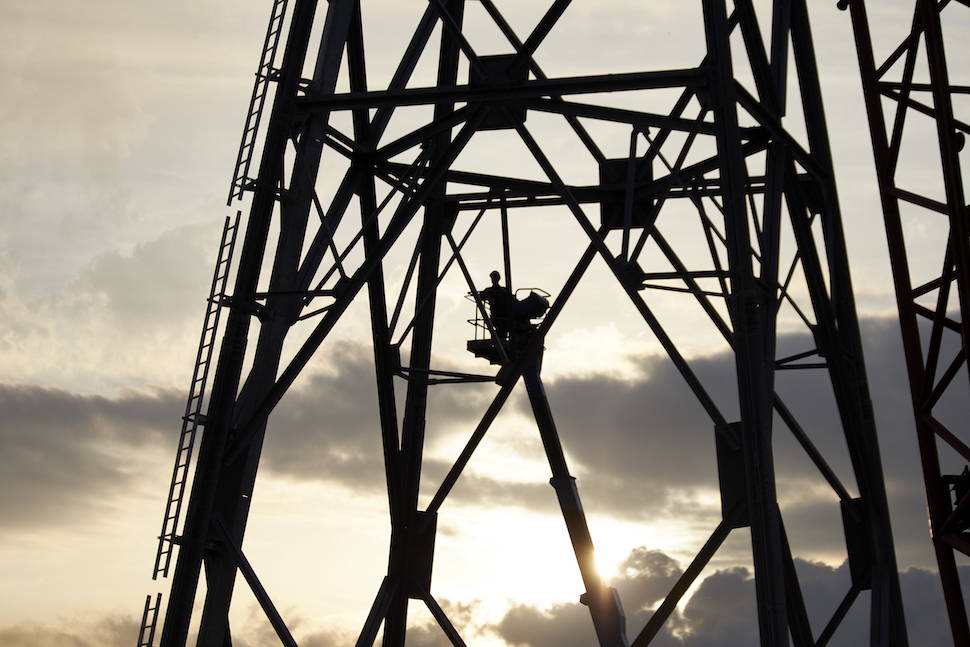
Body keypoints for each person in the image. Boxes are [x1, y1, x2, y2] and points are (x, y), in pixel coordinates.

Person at [479, 270, 514, 342]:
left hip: (504, 316)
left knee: (502, 331)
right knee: (499, 331)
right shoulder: (489, 290)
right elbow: (481, 297)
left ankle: (500, 339)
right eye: (492, 278)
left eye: (495, 278)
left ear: (498, 279)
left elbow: (512, 299)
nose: (493, 279)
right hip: (495, 316)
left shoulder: (503, 290)